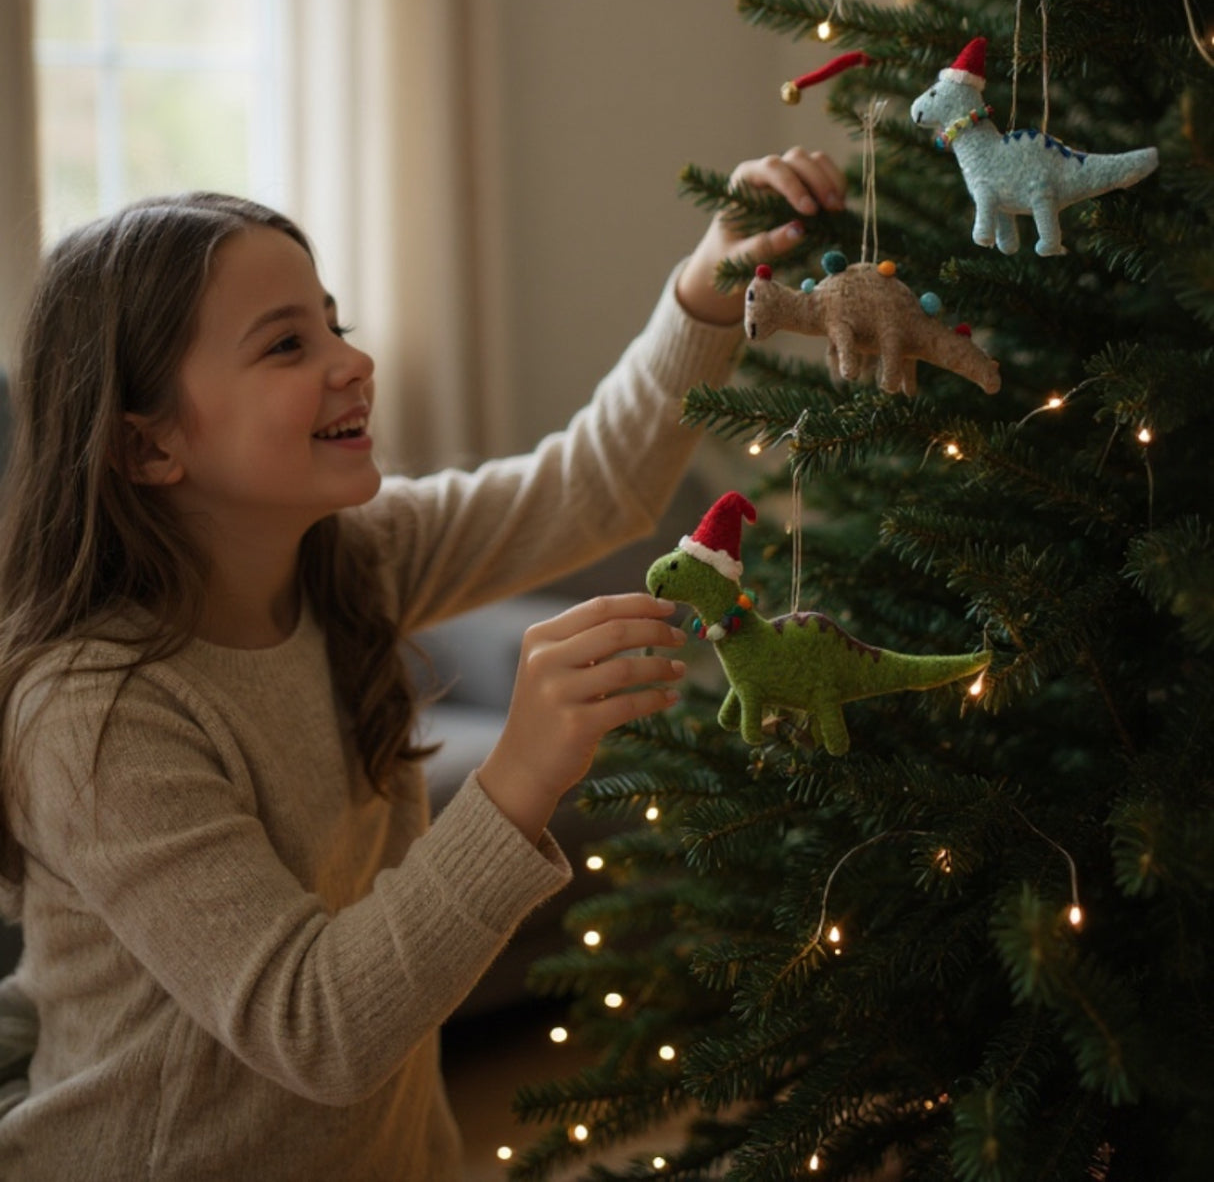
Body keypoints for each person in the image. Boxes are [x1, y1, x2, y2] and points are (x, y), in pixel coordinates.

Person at [0, 147, 845, 1181]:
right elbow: (317, 1026)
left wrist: (702, 291)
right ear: (145, 447)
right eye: (285, 344)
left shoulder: (354, 554)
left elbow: (592, 486)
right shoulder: (96, 713)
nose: (349, 361)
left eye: (333, 323)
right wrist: (518, 774)